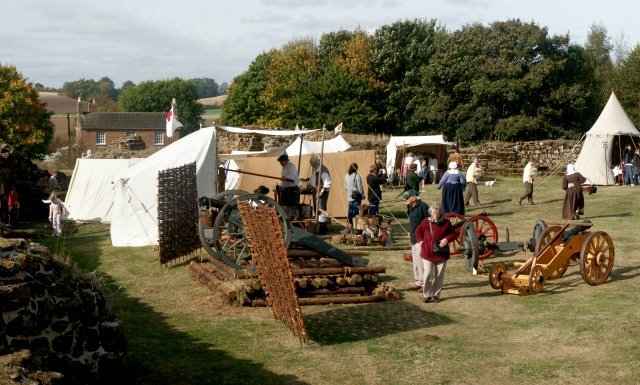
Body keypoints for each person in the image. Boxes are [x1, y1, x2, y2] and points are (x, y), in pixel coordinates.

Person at [415, 202, 457, 303]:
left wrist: (447, 239)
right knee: (428, 274)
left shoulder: (446, 223)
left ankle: (436, 295)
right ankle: (426, 295)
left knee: (439, 276)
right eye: (433, 213)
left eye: (437, 213)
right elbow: (418, 230)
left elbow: (453, 234)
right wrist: (420, 241)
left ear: (440, 213)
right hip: (428, 252)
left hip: (441, 254)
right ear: (430, 213)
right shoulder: (426, 221)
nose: (435, 215)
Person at [405, 189, 429, 292]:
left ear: (414, 198)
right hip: (413, 238)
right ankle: (418, 282)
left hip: (421, 239)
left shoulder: (423, 206)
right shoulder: (411, 207)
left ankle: (425, 284)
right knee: (415, 262)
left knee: (421, 262)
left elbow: (429, 221)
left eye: (407, 198)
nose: (406, 200)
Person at [345, 163, 364, 228]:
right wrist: (362, 195)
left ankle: (350, 223)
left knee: (350, 209)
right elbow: (360, 187)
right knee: (356, 210)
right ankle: (354, 224)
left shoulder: (346, 175)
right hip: (357, 196)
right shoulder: (357, 176)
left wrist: (348, 193)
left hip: (349, 195)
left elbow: (345, 187)